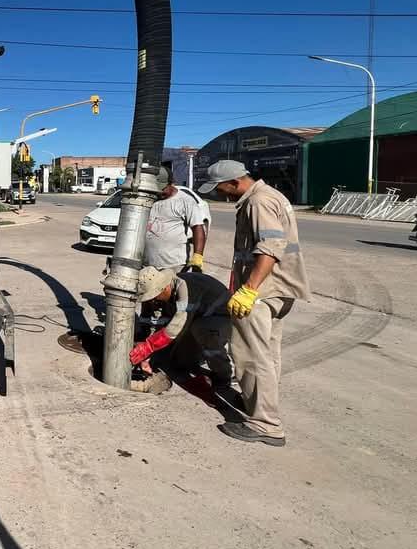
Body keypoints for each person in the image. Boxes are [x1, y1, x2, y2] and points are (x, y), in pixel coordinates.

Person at [199, 160, 309, 447]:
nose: (220, 194)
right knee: (269, 355)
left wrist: (248, 290)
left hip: (262, 292)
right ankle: (260, 407)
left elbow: (270, 248)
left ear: (235, 182)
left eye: (221, 188)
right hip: (279, 289)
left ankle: (266, 424)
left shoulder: (258, 202)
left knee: (250, 355)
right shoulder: (270, 196)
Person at [129, 266, 234, 394]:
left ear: (165, 288)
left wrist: (149, 347)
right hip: (199, 317)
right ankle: (192, 362)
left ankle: (223, 377)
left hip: (222, 317)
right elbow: (165, 324)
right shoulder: (170, 289)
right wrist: (149, 356)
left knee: (203, 332)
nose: (153, 301)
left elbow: (175, 328)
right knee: (180, 363)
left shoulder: (186, 290)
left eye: (155, 297)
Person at [145, 168, 208, 273]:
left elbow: (198, 228)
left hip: (174, 266)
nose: (159, 192)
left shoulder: (185, 201)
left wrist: (197, 258)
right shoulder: (151, 198)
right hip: (148, 265)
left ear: (171, 183)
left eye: (162, 189)